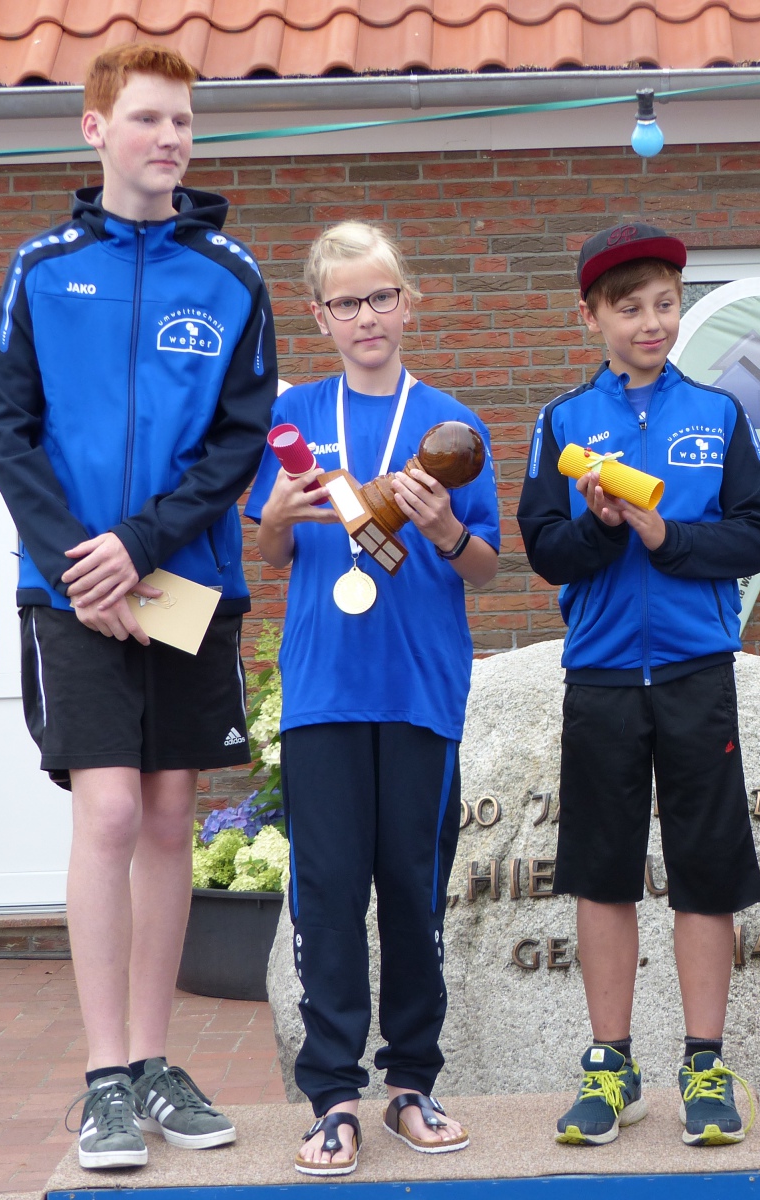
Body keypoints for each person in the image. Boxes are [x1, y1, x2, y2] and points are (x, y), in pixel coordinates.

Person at [0, 43, 275, 1170]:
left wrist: (137, 549)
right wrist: (79, 564)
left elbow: (237, 442)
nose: (170, 139)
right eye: (148, 118)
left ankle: (153, 1063)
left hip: (184, 581)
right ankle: (105, 1075)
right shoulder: (41, 269)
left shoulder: (231, 275)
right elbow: (6, 430)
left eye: (183, 121)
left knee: (165, 818)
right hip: (69, 590)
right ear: (96, 129)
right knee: (105, 814)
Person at [517, 222, 760, 1147]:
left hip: (695, 671)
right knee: (601, 872)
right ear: (591, 317)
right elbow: (544, 550)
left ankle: (704, 1064)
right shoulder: (562, 421)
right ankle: (610, 1064)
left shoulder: (717, 413)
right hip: (599, 676)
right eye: (629, 308)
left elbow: (756, 532)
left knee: (706, 870)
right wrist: (598, 527)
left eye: (665, 304)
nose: (651, 322)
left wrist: (667, 538)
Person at [245, 221, 500, 1175]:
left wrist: (443, 531)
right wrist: (276, 515)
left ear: (408, 303)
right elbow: (271, 552)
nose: (366, 317)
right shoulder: (294, 415)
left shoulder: (452, 425)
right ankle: (333, 1097)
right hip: (322, 690)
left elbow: (485, 567)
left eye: (381, 296)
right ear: (319, 316)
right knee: (327, 897)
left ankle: (412, 1086)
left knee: (415, 895)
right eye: (346, 302)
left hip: (420, 689)